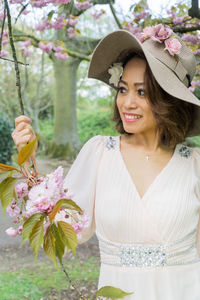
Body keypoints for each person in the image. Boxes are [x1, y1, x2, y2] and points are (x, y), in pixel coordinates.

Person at [12, 24, 200, 299]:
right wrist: (27, 157)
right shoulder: (100, 154)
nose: (127, 103)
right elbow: (59, 234)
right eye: (123, 90)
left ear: (168, 100)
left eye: (142, 92)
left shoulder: (194, 164)